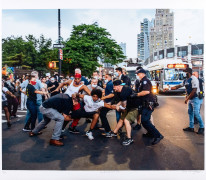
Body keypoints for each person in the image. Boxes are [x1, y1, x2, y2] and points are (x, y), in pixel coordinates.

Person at [164, 68, 204, 134]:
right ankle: (191, 127)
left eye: (185, 72)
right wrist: (168, 88)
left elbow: (194, 90)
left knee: (196, 113)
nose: (184, 74)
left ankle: (202, 127)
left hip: (195, 98)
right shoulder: (186, 80)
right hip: (191, 98)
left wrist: (187, 99)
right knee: (190, 112)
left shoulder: (194, 79)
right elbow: (178, 86)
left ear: (189, 72)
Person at [134, 68, 163, 145]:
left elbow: (146, 91)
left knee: (145, 120)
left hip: (148, 103)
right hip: (145, 103)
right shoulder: (141, 81)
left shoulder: (145, 81)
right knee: (145, 121)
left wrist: (136, 94)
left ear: (142, 74)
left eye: (138, 74)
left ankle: (158, 135)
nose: (137, 75)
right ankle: (151, 133)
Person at [109, 80, 142, 146]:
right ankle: (115, 132)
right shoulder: (119, 91)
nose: (113, 88)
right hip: (129, 107)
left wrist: (118, 107)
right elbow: (122, 101)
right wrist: (118, 105)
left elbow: (124, 105)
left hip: (135, 107)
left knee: (126, 121)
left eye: (114, 87)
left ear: (119, 86)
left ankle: (129, 139)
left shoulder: (124, 91)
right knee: (121, 120)